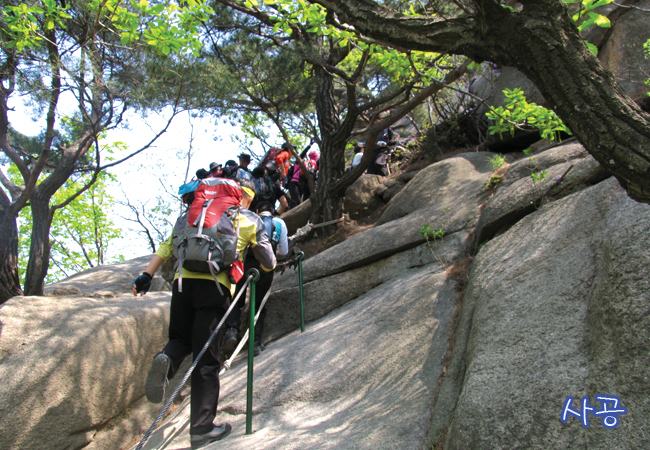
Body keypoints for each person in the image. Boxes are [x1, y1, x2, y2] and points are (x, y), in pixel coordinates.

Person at [132, 178, 275, 450]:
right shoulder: (246, 219)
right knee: (206, 360)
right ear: (242, 196)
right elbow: (269, 262)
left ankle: (167, 360)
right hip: (216, 288)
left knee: (180, 339)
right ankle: (202, 429)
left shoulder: (189, 216)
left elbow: (167, 247)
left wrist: (145, 275)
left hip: (182, 285)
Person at [223, 200, 289, 356]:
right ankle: (255, 343)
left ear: (257, 210)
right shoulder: (279, 223)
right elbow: (284, 251)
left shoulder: (248, 219)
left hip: (244, 264)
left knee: (236, 300)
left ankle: (231, 331)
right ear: (273, 211)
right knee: (258, 303)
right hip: (267, 264)